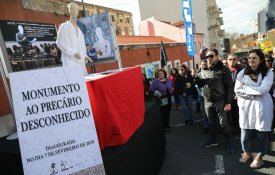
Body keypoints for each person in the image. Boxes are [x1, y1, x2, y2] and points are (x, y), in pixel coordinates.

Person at [234, 49, 273, 169]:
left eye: (254, 58)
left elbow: (263, 90)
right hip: (246, 107)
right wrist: (253, 91)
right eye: (250, 58)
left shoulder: (268, 72)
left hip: (262, 106)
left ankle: (259, 157)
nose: (251, 60)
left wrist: (245, 88)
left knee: (262, 134)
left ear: (260, 59)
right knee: (245, 133)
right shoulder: (242, 73)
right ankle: (246, 152)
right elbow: (237, 90)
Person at [194, 48, 234, 153]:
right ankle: (213, 140)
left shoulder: (224, 69)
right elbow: (201, 84)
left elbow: (229, 86)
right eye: (207, 57)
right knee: (211, 123)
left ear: (216, 56)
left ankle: (229, 142)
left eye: (211, 56)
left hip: (220, 100)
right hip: (208, 101)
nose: (209, 58)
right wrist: (196, 79)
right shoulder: (204, 69)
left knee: (223, 123)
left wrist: (228, 102)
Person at [56, 2, 92, 75]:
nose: (75, 11)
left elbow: (82, 46)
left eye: (76, 9)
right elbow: (59, 43)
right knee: (74, 81)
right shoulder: (64, 27)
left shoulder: (80, 31)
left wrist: (84, 56)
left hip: (81, 64)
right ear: (69, 10)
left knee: (84, 83)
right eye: (72, 9)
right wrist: (73, 53)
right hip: (70, 63)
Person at [227, 54, 243, 134]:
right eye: (230, 59)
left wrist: (239, 93)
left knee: (242, 113)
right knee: (232, 113)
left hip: (241, 95)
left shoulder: (242, 69)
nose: (232, 61)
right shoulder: (225, 70)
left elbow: (245, 83)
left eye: (234, 59)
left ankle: (243, 129)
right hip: (230, 95)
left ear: (237, 60)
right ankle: (235, 128)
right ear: (227, 61)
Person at [196, 60, 209, 133]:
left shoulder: (209, 73)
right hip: (202, 96)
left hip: (210, 96)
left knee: (211, 112)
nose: (203, 65)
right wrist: (201, 94)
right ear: (200, 65)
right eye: (202, 64)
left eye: (205, 64)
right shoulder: (198, 75)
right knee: (204, 113)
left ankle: (214, 127)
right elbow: (196, 86)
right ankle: (206, 127)